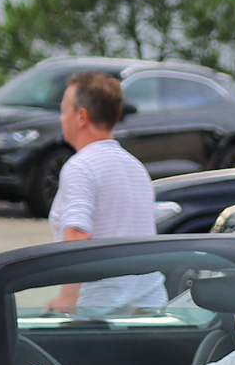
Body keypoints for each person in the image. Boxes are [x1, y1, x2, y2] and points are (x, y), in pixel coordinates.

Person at [45, 70, 166, 312]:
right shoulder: (136, 167)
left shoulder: (81, 166)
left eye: (63, 110)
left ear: (81, 116)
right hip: (151, 306)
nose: (60, 118)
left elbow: (77, 237)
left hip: (103, 313)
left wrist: (67, 300)